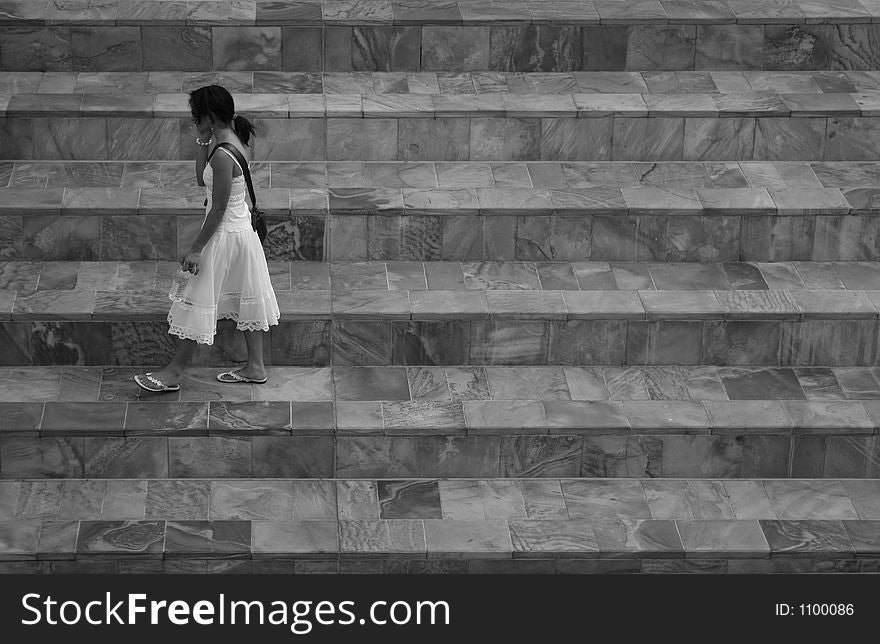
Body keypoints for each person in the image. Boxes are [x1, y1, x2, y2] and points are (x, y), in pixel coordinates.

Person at [134, 85, 279, 393]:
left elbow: (218, 208)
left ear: (210, 116)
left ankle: (174, 373)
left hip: (224, 236)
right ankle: (255, 367)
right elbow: (202, 178)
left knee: (196, 299)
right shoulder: (231, 140)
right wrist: (202, 141)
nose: (193, 119)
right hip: (241, 234)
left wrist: (196, 249)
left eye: (196, 115)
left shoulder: (224, 155)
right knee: (244, 296)